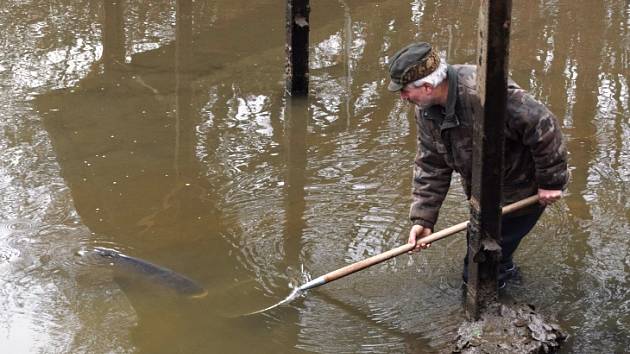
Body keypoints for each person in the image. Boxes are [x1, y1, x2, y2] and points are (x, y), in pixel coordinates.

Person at [387, 42, 568, 288]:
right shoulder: (426, 110)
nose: (403, 97)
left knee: (478, 267)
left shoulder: (485, 93)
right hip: (482, 193)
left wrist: (551, 182)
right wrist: (424, 218)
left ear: (428, 86)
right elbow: (431, 164)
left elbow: (544, 126)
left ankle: (494, 313)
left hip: (523, 192)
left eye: (405, 91)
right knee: (488, 253)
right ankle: (510, 283)